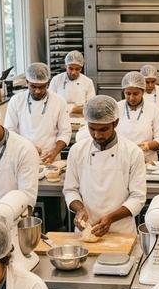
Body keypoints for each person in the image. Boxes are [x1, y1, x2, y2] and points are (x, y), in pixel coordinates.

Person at [63, 95, 147, 236]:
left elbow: (138, 198)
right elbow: (70, 190)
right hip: (85, 230)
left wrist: (110, 219)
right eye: (92, 128)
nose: (97, 135)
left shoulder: (132, 152)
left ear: (115, 123)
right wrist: (79, 209)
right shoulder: (77, 150)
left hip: (121, 231)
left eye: (103, 129)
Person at [4, 62, 71, 164]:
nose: (37, 91)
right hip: (23, 155)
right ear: (27, 82)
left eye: (42, 87)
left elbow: (65, 132)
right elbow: (10, 131)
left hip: (50, 158)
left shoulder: (59, 101)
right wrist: (28, 147)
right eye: (33, 87)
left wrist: (54, 152)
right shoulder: (16, 101)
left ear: (48, 83)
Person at [116, 70, 159, 163]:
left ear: (143, 91)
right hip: (121, 159)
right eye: (128, 93)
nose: (131, 98)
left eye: (136, 94)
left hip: (146, 160)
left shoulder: (154, 109)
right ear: (123, 92)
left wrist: (148, 146)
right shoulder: (116, 108)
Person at [49, 50, 96, 116]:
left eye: (77, 69)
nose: (73, 72)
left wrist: (69, 108)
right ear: (65, 66)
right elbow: (50, 103)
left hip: (81, 119)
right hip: (59, 118)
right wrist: (76, 108)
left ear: (81, 68)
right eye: (70, 68)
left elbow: (91, 107)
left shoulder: (88, 82)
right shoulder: (56, 80)